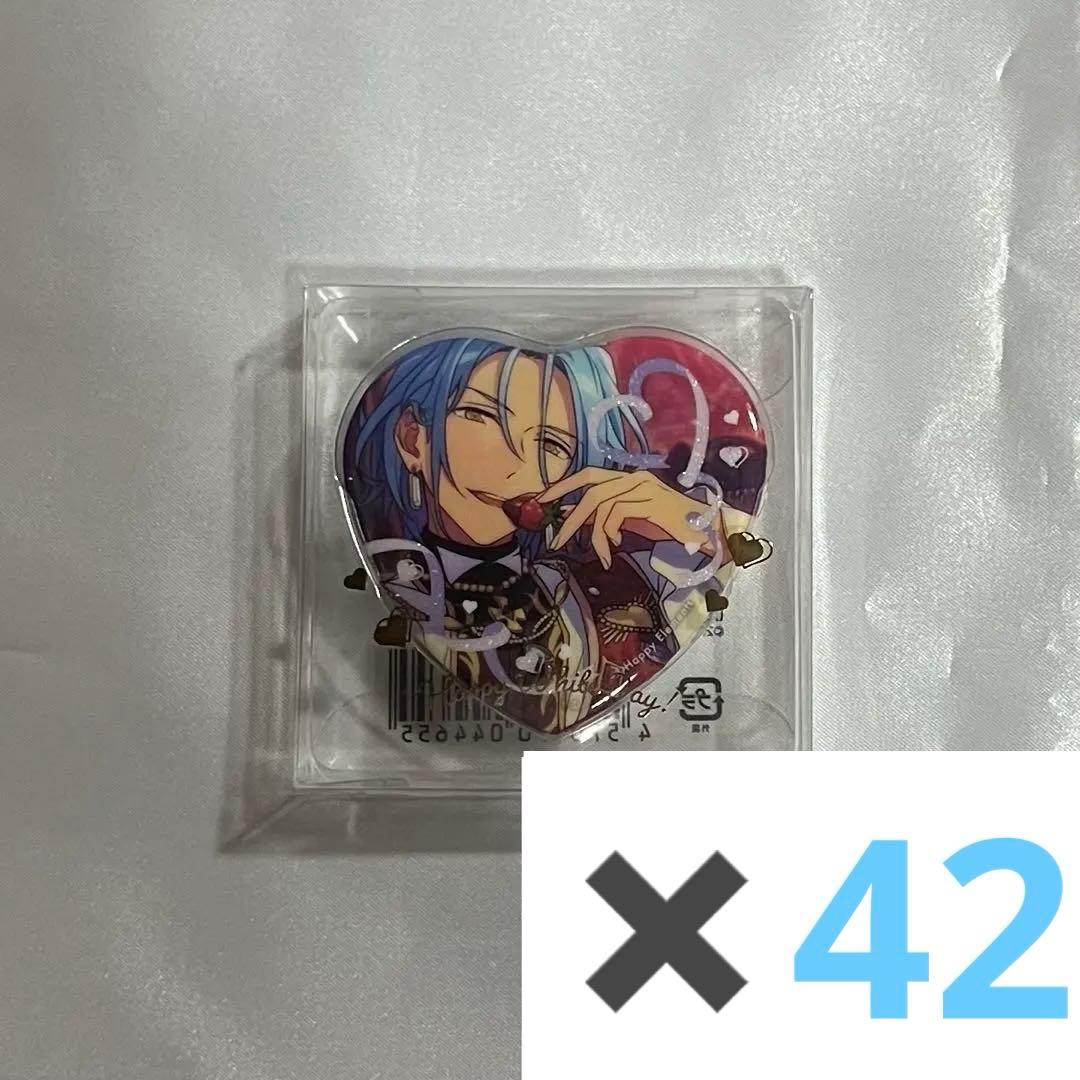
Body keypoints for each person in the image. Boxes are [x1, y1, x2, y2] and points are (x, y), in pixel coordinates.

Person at [342, 336, 747, 733]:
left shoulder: (617, 588)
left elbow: (736, 551)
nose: (517, 463)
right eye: (482, 416)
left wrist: (693, 520)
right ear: (413, 439)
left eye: (551, 444)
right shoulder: (383, 577)